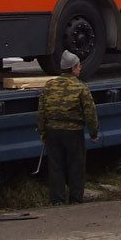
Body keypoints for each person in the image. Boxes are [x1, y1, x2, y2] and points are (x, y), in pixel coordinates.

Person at [37, 50, 100, 205]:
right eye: (78, 66)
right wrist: (93, 132)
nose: (80, 69)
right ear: (73, 68)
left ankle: (57, 199)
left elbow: (42, 110)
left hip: (53, 131)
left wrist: (42, 131)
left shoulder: (49, 86)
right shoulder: (80, 87)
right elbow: (90, 112)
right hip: (73, 132)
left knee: (56, 166)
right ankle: (76, 198)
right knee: (75, 166)